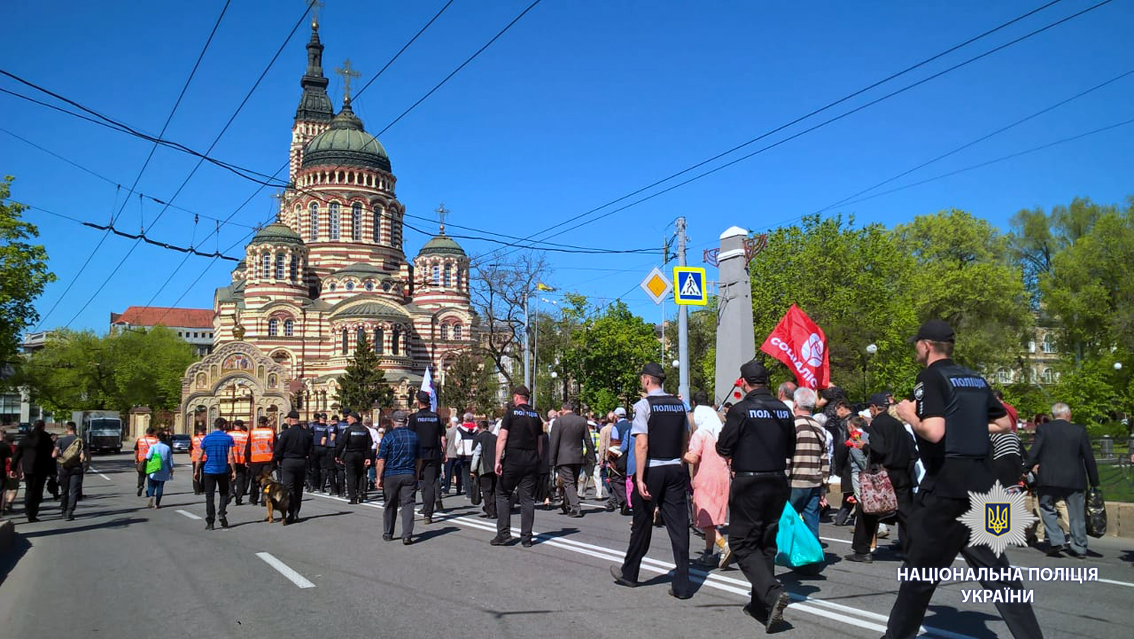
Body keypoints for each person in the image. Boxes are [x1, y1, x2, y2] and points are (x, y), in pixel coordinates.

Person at [884, 319, 1043, 639]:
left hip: (945, 487)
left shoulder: (930, 376)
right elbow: (1003, 424)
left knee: (919, 576)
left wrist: (908, 414)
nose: (916, 347)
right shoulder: (975, 378)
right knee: (1001, 575)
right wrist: (965, 429)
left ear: (926, 346)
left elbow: (934, 431)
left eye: (917, 343)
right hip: (984, 489)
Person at [714, 361, 795, 631]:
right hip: (777, 481)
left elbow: (723, 447)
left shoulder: (741, 410)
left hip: (749, 482)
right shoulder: (784, 410)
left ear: (744, 382)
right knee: (766, 543)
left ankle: (772, 594)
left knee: (742, 543)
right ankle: (761, 606)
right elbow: (791, 448)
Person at [611, 363, 693, 600]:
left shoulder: (644, 405)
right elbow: (685, 439)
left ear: (647, 380)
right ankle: (683, 584)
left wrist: (638, 478)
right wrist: (679, 461)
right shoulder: (680, 405)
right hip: (675, 468)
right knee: (679, 526)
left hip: (652, 470)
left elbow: (641, 444)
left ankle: (630, 573)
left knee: (642, 523)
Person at [1025, 402, 1100, 558]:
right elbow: (1088, 457)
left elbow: (1034, 452)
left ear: (1053, 416)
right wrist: (1094, 481)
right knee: (1076, 514)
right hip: (1074, 478)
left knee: (1046, 508)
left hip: (1048, 478)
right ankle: (1079, 547)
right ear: (1068, 414)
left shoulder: (1043, 429)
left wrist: (1025, 469)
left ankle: (1056, 539)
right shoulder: (1079, 430)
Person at [847, 393, 914, 562]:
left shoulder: (878, 424)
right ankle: (913, 550)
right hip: (902, 474)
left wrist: (864, 446)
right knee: (906, 514)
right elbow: (913, 451)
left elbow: (879, 449)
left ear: (875, 408)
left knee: (868, 510)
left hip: (884, 474)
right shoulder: (898, 425)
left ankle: (862, 551)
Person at [684, 390, 732, 569]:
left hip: (705, 478)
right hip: (722, 476)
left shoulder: (700, 434)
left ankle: (723, 546)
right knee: (712, 516)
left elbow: (694, 458)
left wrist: (681, 454)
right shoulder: (720, 434)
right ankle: (708, 552)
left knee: (704, 516)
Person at [492, 385, 543, 547]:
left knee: (502, 494)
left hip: (513, 460)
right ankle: (526, 538)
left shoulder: (511, 414)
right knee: (527, 499)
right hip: (531, 461)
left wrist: (497, 461)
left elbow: (502, 439)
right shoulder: (536, 416)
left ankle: (504, 534)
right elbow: (540, 441)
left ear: (516, 397)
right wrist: (538, 459)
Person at [788, 387, 830, 549]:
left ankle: (789, 552)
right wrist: (823, 487)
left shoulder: (793, 426)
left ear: (795, 404)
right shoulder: (819, 428)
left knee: (788, 519)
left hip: (795, 482)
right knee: (812, 520)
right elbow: (825, 459)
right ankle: (812, 554)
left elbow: (786, 457)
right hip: (814, 482)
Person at [377, 410, 421, 544]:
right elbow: (419, 458)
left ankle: (388, 533)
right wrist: (417, 473)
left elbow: (381, 459)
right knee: (408, 505)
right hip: (409, 473)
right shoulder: (414, 436)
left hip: (391, 474)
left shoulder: (388, 437)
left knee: (390, 504)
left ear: (392, 422)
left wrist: (379, 477)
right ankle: (407, 535)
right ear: (406, 421)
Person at [548, 399, 596, 518]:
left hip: (563, 457)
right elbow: (588, 440)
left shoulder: (559, 422)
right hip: (578, 456)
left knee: (568, 483)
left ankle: (575, 507)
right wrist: (591, 456)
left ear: (563, 410)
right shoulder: (582, 421)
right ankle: (566, 504)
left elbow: (554, 442)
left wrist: (551, 460)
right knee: (572, 482)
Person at [408, 392, 445, 523]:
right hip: (433, 454)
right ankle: (428, 514)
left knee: (414, 481)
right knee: (429, 484)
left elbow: (410, 437)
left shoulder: (413, 418)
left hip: (417, 455)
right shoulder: (436, 417)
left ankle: (407, 508)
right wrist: (444, 453)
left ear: (419, 402)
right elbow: (442, 437)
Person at [12, 420, 55, 522]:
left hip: (28, 468)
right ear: (43, 427)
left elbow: (17, 454)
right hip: (41, 469)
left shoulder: (26, 438)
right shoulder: (46, 438)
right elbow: (51, 456)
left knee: (29, 489)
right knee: (38, 490)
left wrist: (13, 468)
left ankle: (29, 512)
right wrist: (53, 471)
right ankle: (34, 511)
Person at [274, 410, 312, 525]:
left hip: (288, 462)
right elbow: (311, 450)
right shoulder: (307, 433)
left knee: (289, 488)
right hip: (301, 461)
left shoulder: (286, 433)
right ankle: (296, 511)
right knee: (299, 488)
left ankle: (290, 513)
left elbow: (278, 449)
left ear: (290, 420)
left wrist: (276, 460)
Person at [197, 418, 236, 530]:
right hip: (223, 470)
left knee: (210, 496)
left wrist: (196, 471)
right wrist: (234, 470)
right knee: (224, 493)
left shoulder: (207, 438)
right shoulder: (228, 438)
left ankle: (210, 522)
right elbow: (231, 456)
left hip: (209, 470)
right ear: (223, 425)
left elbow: (200, 457)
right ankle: (222, 512)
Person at [335, 412, 373, 505]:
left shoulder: (349, 430)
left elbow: (342, 443)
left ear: (353, 419)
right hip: (361, 454)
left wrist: (337, 455)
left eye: (348, 418)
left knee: (350, 475)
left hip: (350, 454)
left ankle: (353, 497)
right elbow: (370, 444)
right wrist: (368, 457)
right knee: (360, 474)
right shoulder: (365, 429)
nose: (347, 420)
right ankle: (360, 493)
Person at [53, 421, 87, 521]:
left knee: (64, 490)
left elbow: (53, 455)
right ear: (75, 429)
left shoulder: (61, 441)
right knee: (74, 491)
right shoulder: (80, 440)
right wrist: (87, 464)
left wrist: (61, 457)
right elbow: (86, 455)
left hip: (64, 468)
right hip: (76, 468)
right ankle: (70, 512)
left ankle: (63, 511)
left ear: (66, 429)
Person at [991, 390, 1024, 491]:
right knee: (1013, 484)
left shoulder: (996, 409)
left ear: (996, 398)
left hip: (997, 440)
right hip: (1013, 442)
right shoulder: (1012, 409)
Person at [607, 407, 632, 515]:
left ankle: (623, 499)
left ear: (616, 417)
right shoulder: (632, 426)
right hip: (631, 456)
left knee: (615, 479)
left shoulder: (616, 427)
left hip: (620, 455)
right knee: (628, 478)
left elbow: (615, 443)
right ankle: (627, 500)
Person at [470, 420, 497, 519]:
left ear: (479, 428)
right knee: (494, 489)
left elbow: (476, 454)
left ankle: (491, 512)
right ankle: (495, 509)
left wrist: (473, 469)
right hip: (495, 467)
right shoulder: (495, 437)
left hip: (484, 468)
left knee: (487, 490)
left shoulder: (478, 438)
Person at [247, 416, 276, 506]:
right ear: (266, 423)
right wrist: (275, 460)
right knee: (266, 481)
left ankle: (253, 499)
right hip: (268, 459)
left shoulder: (253, 432)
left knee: (255, 480)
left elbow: (248, 446)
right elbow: (276, 446)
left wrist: (247, 459)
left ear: (258, 422)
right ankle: (265, 499)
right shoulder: (271, 432)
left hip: (255, 460)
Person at [144, 432, 174, 509]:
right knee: (160, 487)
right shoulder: (167, 448)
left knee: (151, 485)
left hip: (153, 468)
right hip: (163, 470)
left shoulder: (153, 447)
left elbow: (148, 456)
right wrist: (171, 469)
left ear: (157, 438)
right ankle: (157, 504)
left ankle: (151, 496)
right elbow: (170, 460)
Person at [228, 420, 250, 506]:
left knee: (230, 477)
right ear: (242, 425)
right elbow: (248, 448)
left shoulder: (229, 434)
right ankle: (239, 499)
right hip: (242, 460)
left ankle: (231, 491)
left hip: (230, 460)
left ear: (234, 425)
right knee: (241, 479)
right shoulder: (246, 435)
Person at [134, 427, 160, 497]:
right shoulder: (156, 440)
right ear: (153, 432)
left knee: (141, 475)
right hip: (152, 461)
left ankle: (140, 486)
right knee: (151, 476)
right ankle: (149, 491)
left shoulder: (140, 439)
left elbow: (136, 450)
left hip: (141, 460)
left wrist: (136, 459)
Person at [189, 425, 206, 495]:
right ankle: (203, 488)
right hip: (205, 458)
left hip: (195, 458)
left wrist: (191, 455)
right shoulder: (206, 438)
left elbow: (189, 448)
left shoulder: (193, 438)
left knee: (196, 473)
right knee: (204, 474)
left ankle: (196, 490)